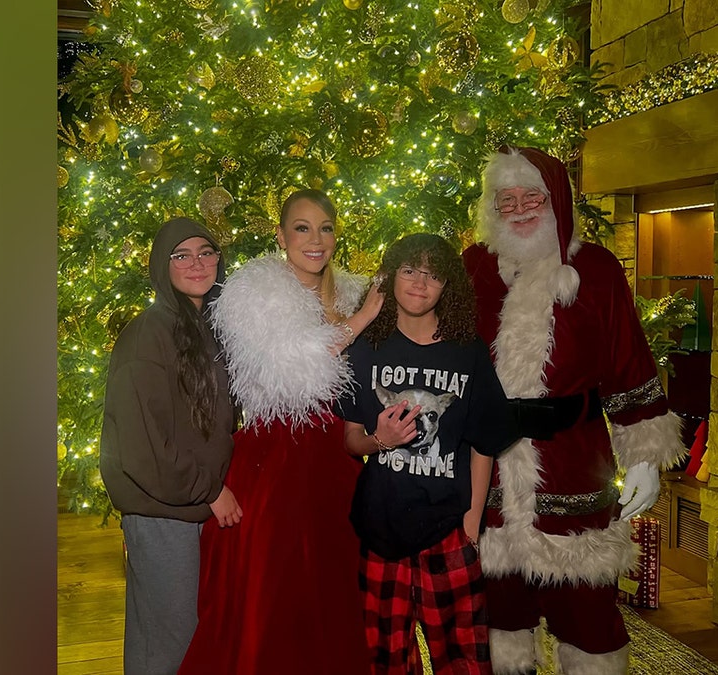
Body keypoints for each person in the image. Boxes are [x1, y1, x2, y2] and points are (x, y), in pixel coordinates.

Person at [461, 145, 688, 674]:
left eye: (531, 197)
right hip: (486, 470)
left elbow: (628, 358)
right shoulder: (474, 266)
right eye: (506, 199)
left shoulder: (597, 268)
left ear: (556, 201)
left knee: (587, 614)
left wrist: (646, 457)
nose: (518, 209)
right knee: (500, 612)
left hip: (576, 462)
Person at [178, 189, 382, 675]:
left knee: (333, 591)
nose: (316, 239)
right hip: (276, 462)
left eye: (326, 227)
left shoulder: (352, 290)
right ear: (281, 235)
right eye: (302, 227)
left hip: (338, 460)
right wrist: (363, 319)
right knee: (275, 592)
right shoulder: (254, 292)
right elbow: (295, 367)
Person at [337, 233, 515, 675]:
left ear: (447, 286)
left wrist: (473, 515)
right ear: (390, 277)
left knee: (465, 659)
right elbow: (351, 440)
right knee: (386, 659)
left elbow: (482, 441)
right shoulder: (366, 349)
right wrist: (381, 440)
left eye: (433, 275)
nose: (419, 283)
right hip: (381, 526)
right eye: (409, 270)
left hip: (448, 526)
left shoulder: (468, 352)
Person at [98, 217, 241, 675]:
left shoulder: (210, 330)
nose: (196, 263)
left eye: (206, 251)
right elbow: (143, 446)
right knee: (167, 642)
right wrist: (210, 489)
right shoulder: (149, 333)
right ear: (164, 266)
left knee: (193, 638)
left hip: (194, 508)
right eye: (181, 255)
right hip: (164, 512)